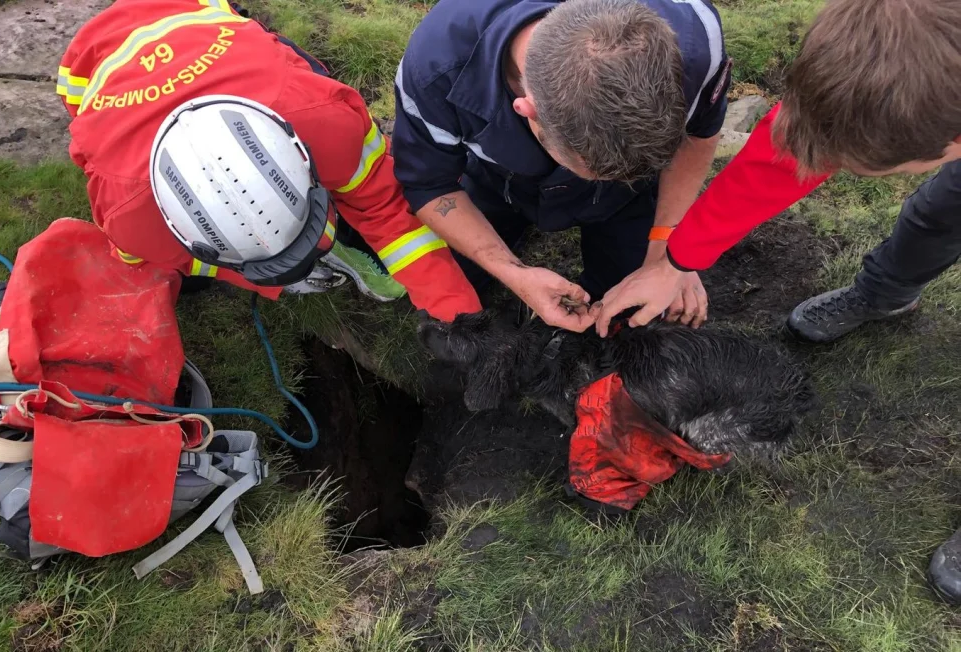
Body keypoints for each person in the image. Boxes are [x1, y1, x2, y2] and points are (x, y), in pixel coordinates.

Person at [591, 0, 961, 603]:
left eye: (855, 167)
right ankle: (884, 296)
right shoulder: (892, 50)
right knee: (938, 213)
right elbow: (781, 159)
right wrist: (675, 261)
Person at [56, 0, 480, 323]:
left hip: (189, 10)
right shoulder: (129, 220)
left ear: (302, 155)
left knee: (292, 62)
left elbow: (386, 206)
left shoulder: (322, 117)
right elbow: (165, 260)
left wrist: (458, 316)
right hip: (84, 68)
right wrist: (264, 277)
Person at [392, 0, 732, 331]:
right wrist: (513, 273)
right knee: (452, 285)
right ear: (526, 109)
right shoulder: (434, 66)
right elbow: (429, 184)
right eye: (594, 172)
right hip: (500, 180)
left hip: (627, 197)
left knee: (635, 311)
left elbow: (700, 135)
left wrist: (669, 255)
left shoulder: (694, 40)